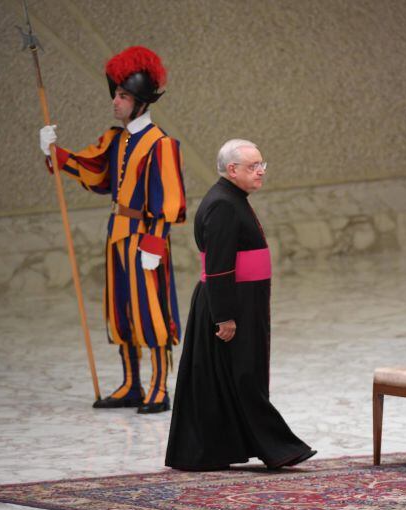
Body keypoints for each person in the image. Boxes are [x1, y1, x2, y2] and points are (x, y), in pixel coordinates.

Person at [38, 46, 185, 414]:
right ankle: (131, 383)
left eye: (123, 96)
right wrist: (53, 152)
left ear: (139, 102)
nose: (115, 102)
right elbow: (95, 172)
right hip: (116, 233)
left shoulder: (161, 144)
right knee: (121, 309)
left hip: (144, 238)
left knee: (150, 309)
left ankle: (157, 387)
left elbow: (168, 198)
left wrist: (154, 243)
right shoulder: (116, 139)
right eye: (116, 95)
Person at [165, 139, 315, 471]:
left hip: (242, 303)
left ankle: (228, 448)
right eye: (253, 166)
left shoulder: (232, 198)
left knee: (230, 380)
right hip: (232, 306)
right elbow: (219, 264)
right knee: (243, 377)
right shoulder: (223, 204)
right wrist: (225, 316)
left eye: (262, 164)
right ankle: (278, 448)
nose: (261, 171)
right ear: (232, 170)